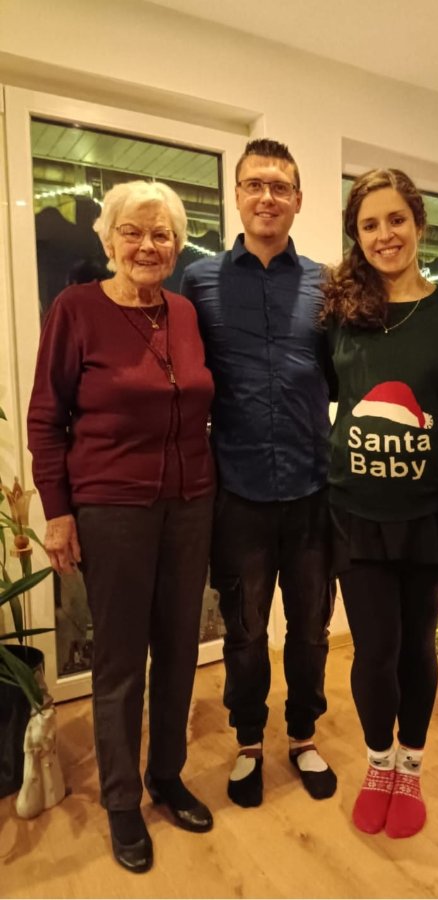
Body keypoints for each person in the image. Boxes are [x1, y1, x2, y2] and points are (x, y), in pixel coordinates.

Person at [27, 181, 215, 874]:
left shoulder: (184, 312)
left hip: (190, 503)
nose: (146, 245)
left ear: (176, 244)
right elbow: (45, 417)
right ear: (108, 240)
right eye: (132, 232)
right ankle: (121, 799)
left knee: (180, 648)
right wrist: (57, 511)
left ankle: (166, 775)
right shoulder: (76, 309)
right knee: (119, 660)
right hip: (112, 507)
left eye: (161, 234)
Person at [181, 139, 337, 808]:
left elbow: (343, 375)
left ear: (297, 200)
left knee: (310, 628)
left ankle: (302, 734)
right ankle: (248, 742)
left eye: (280, 186)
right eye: (255, 184)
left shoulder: (328, 285)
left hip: (313, 489)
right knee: (244, 632)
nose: (267, 196)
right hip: (237, 491)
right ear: (237, 194)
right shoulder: (199, 283)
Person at [322, 169, 438, 839]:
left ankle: (409, 767)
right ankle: (377, 763)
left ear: (418, 223)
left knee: (415, 648)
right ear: (356, 236)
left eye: (396, 219)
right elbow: (329, 393)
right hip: (354, 512)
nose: (385, 235)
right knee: (373, 650)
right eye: (370, 224)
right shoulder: (341, 316)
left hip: (427, 516)